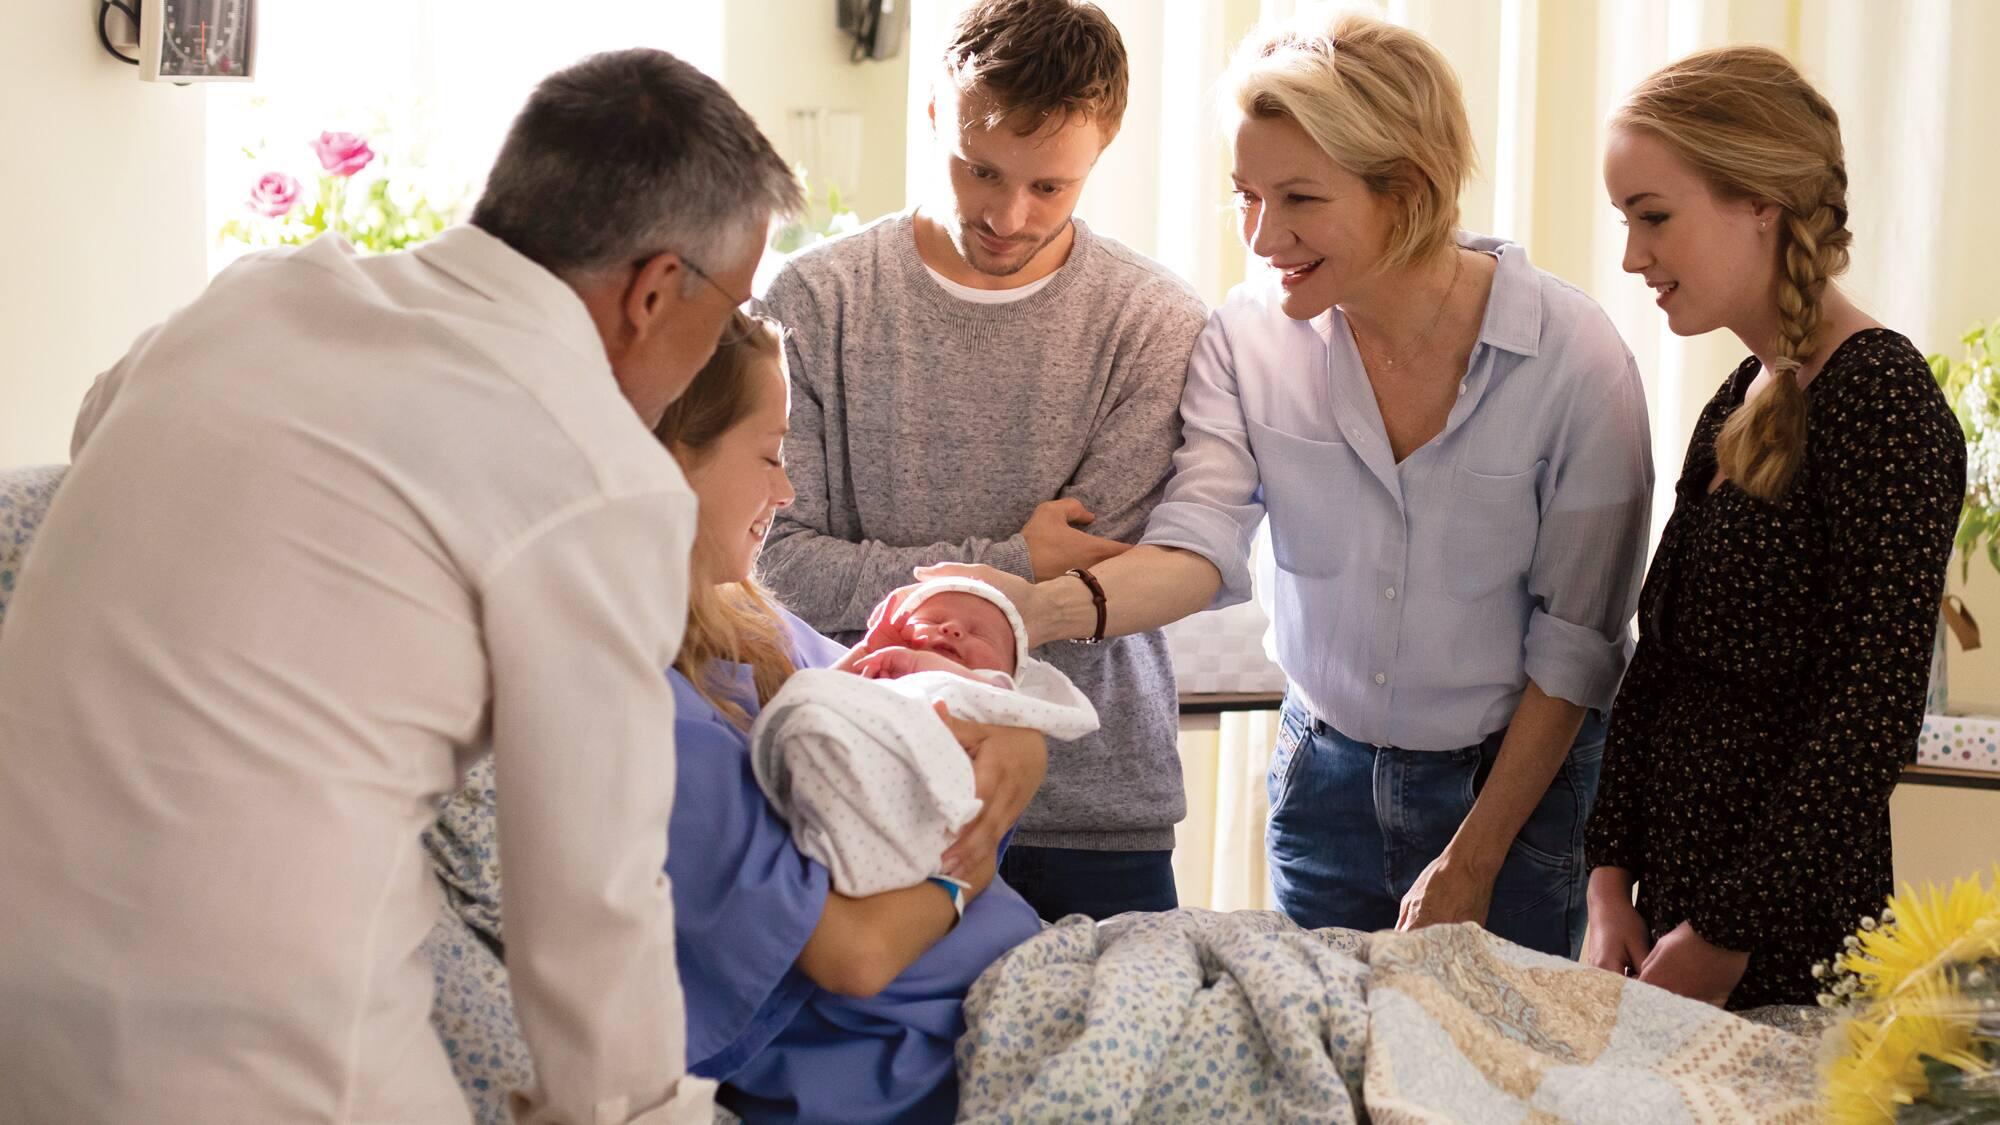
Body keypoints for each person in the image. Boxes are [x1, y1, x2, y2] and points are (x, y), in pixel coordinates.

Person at [0, 50, 798, 1124]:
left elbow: (104, 434)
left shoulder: (253, 296)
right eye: (728, 307)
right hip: (251, 1058)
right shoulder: (598, 476)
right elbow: (588, 905)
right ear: (656, 290)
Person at [919, 10, 1653, 958]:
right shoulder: (1247, 338)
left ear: (1409, 191)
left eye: (1300, 198)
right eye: (1245, 194)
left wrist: (1475, 855)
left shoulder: (1574, 360)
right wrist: (1026, 611)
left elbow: (1576, 647)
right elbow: (1200, 544)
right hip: (1325, 782)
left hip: (1520, 788)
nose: (1263, 236)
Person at [428, 313, 1046, 1124]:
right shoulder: (634, 712)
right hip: (919, 1060)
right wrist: (971, 853)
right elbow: (855, 954)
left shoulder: (744, 624)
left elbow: (926, 716)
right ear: (669, 462)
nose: (786, 492)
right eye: (769, 455)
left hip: (1001, 987)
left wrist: (1018, 739)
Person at [756, 0, 1209, 922]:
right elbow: (778, 562)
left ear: (1104, 146)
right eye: (981, 171)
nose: (1008, 215)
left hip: (1091, 810)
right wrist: (1020, 559)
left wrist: (926, 570)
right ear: (934, 114)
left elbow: (1106, 567)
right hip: (866, 786)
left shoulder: (1153, 322)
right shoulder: (817, 298)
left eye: (1051, 188)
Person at [1584, 47, 1964, 1009]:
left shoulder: (1882, 399)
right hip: (1669, 917)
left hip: (1788, 938)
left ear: (1762, 200)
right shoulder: (1740, 395)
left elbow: (1868, 718)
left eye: (1654, 217)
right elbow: (1658, 661)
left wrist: (1727, 930)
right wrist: (1607, 878)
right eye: (1626, 221)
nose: (1634, 257)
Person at [756, 576, 1100, 899]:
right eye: (934, 620)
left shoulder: (996, 690)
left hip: (918, 793)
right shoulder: (885, 671)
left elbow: (979, 692)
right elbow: (831, 688)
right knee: (809, 695)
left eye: (981, 634)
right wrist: (863, 656)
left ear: (1011, 669)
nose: (951, 629)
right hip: (839, 760)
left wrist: (917, 661)